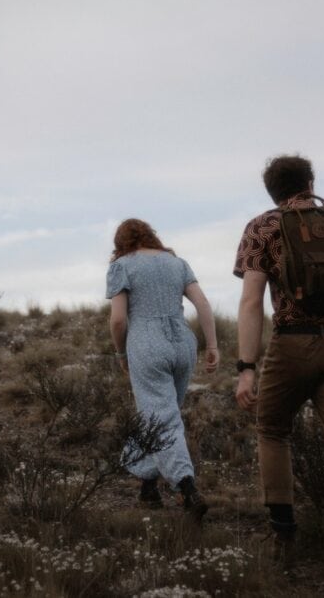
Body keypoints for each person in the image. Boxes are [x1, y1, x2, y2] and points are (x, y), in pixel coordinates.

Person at [233, 155, 324, 594]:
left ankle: (282, 536)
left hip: (292, 342)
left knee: (273, 429)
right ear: (311, 182)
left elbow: (250, 303)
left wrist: (246, 368)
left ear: (272, 191)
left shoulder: (263, 226)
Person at [106, 218, 219, 521]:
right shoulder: (177, 263)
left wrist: (120, 352)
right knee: (161, 415)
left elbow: (118, 320)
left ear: (121, 243)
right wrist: (212, 345)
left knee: (160, 417)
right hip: (182, 344)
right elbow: (203, 304)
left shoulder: (122, 266)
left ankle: (187, 487)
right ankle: (148, 487)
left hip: (146, 344)